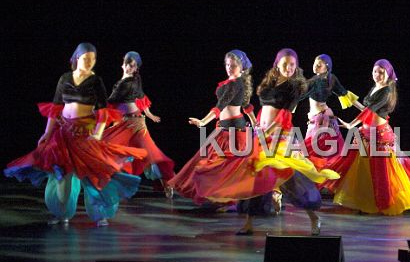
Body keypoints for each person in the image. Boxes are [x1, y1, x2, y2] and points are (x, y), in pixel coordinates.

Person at [5, 43, 146, 226]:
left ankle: (100, 214)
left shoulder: (95, 81)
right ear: (77, 58)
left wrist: (98, 134)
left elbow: (103, 112)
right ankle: (61, 213)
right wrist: (47, 132)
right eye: (86, 58)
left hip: (84, 135)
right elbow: (55, 108)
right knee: (62, 180)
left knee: (93, 177)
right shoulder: (65, 78)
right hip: (63, 135)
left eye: (93, 59)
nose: (90, 62)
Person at [240, 48, 339, 235]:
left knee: (290, 178)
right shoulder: (269, 83)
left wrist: (266, 132)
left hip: (280, 137)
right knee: (256, 175)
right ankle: (249, 223)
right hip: (262, 135)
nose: (289, 68)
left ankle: (314, 217)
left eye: (292, 64)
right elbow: (264, 110)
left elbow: (283, 117)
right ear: (277, 64)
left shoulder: (294, 87)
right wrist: (256, 127)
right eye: (285, 64)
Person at [323, 59, 410, 214]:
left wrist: (351, 125)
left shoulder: (387, 91)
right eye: (375, 71)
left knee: (382, 171)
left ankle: (385, 201)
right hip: (366, 132)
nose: (377, 75)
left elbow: (370, 111)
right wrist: (351, 100)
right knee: (363, 170)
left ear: (388, 74)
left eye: (381, 72)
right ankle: (365, 201)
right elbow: (366, 109)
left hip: (379, 135)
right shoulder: (375, 87)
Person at [167, 49, 266, 205]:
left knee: (220, 166)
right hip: (224, 129)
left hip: (234, 131)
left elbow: (221, 105)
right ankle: (217, 198)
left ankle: (225, 198)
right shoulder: (236, 82)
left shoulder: (236, 84)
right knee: (204, 161)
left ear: (241, 67)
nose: (229, 68)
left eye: (233, 65)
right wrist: (254, 121)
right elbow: (245, 104)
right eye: (227, 64)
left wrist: (203, 122)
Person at [103, 51, 176, 194]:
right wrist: (149, 114)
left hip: (135, 124)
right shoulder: (123, 82)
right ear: (123, 64)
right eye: (128, 64)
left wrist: (149, 114)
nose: (129, 67)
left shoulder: (130, 82)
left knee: (150, 154)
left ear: (136, 68)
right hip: (123, 124)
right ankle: (116, 183)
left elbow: (113, 101)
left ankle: (166, 181)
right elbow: (140, 98)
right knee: (114, 149)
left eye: (133, 66)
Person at [299, 54, 360, 170]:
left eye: (319, 65)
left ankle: (321, 178)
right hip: (327, 119)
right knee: (328, 155)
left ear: (326, 67)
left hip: (320, 121)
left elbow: (298, 95)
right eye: (315, 64)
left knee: (310, 154)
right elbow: (345, 94)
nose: (315, 66)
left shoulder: (315, 81)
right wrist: (364, 109)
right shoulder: (331, 78)